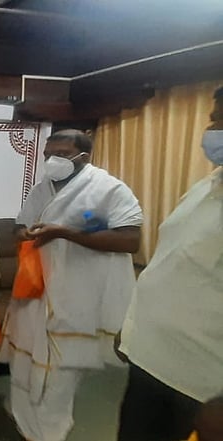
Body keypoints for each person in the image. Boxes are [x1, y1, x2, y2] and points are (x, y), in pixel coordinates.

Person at [0, 129, 143, 441]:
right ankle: (25, 425)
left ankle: (50, 433)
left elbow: (130, 239)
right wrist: (23, 234)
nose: (52, 160)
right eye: (49, 153)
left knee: (60, 374)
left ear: (83, 157)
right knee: (21, 365)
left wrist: (64, 233)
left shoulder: (108, 189)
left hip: (78, 296)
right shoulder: (42, 188)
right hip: (34, 290)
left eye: (61, 154)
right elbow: (21, 225)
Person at [116, 86, 223, 441]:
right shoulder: (208, 185)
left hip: (203, 386)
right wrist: (132, 328)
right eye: (214, 120)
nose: (214, 130)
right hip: (151, 361)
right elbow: (169, 263)